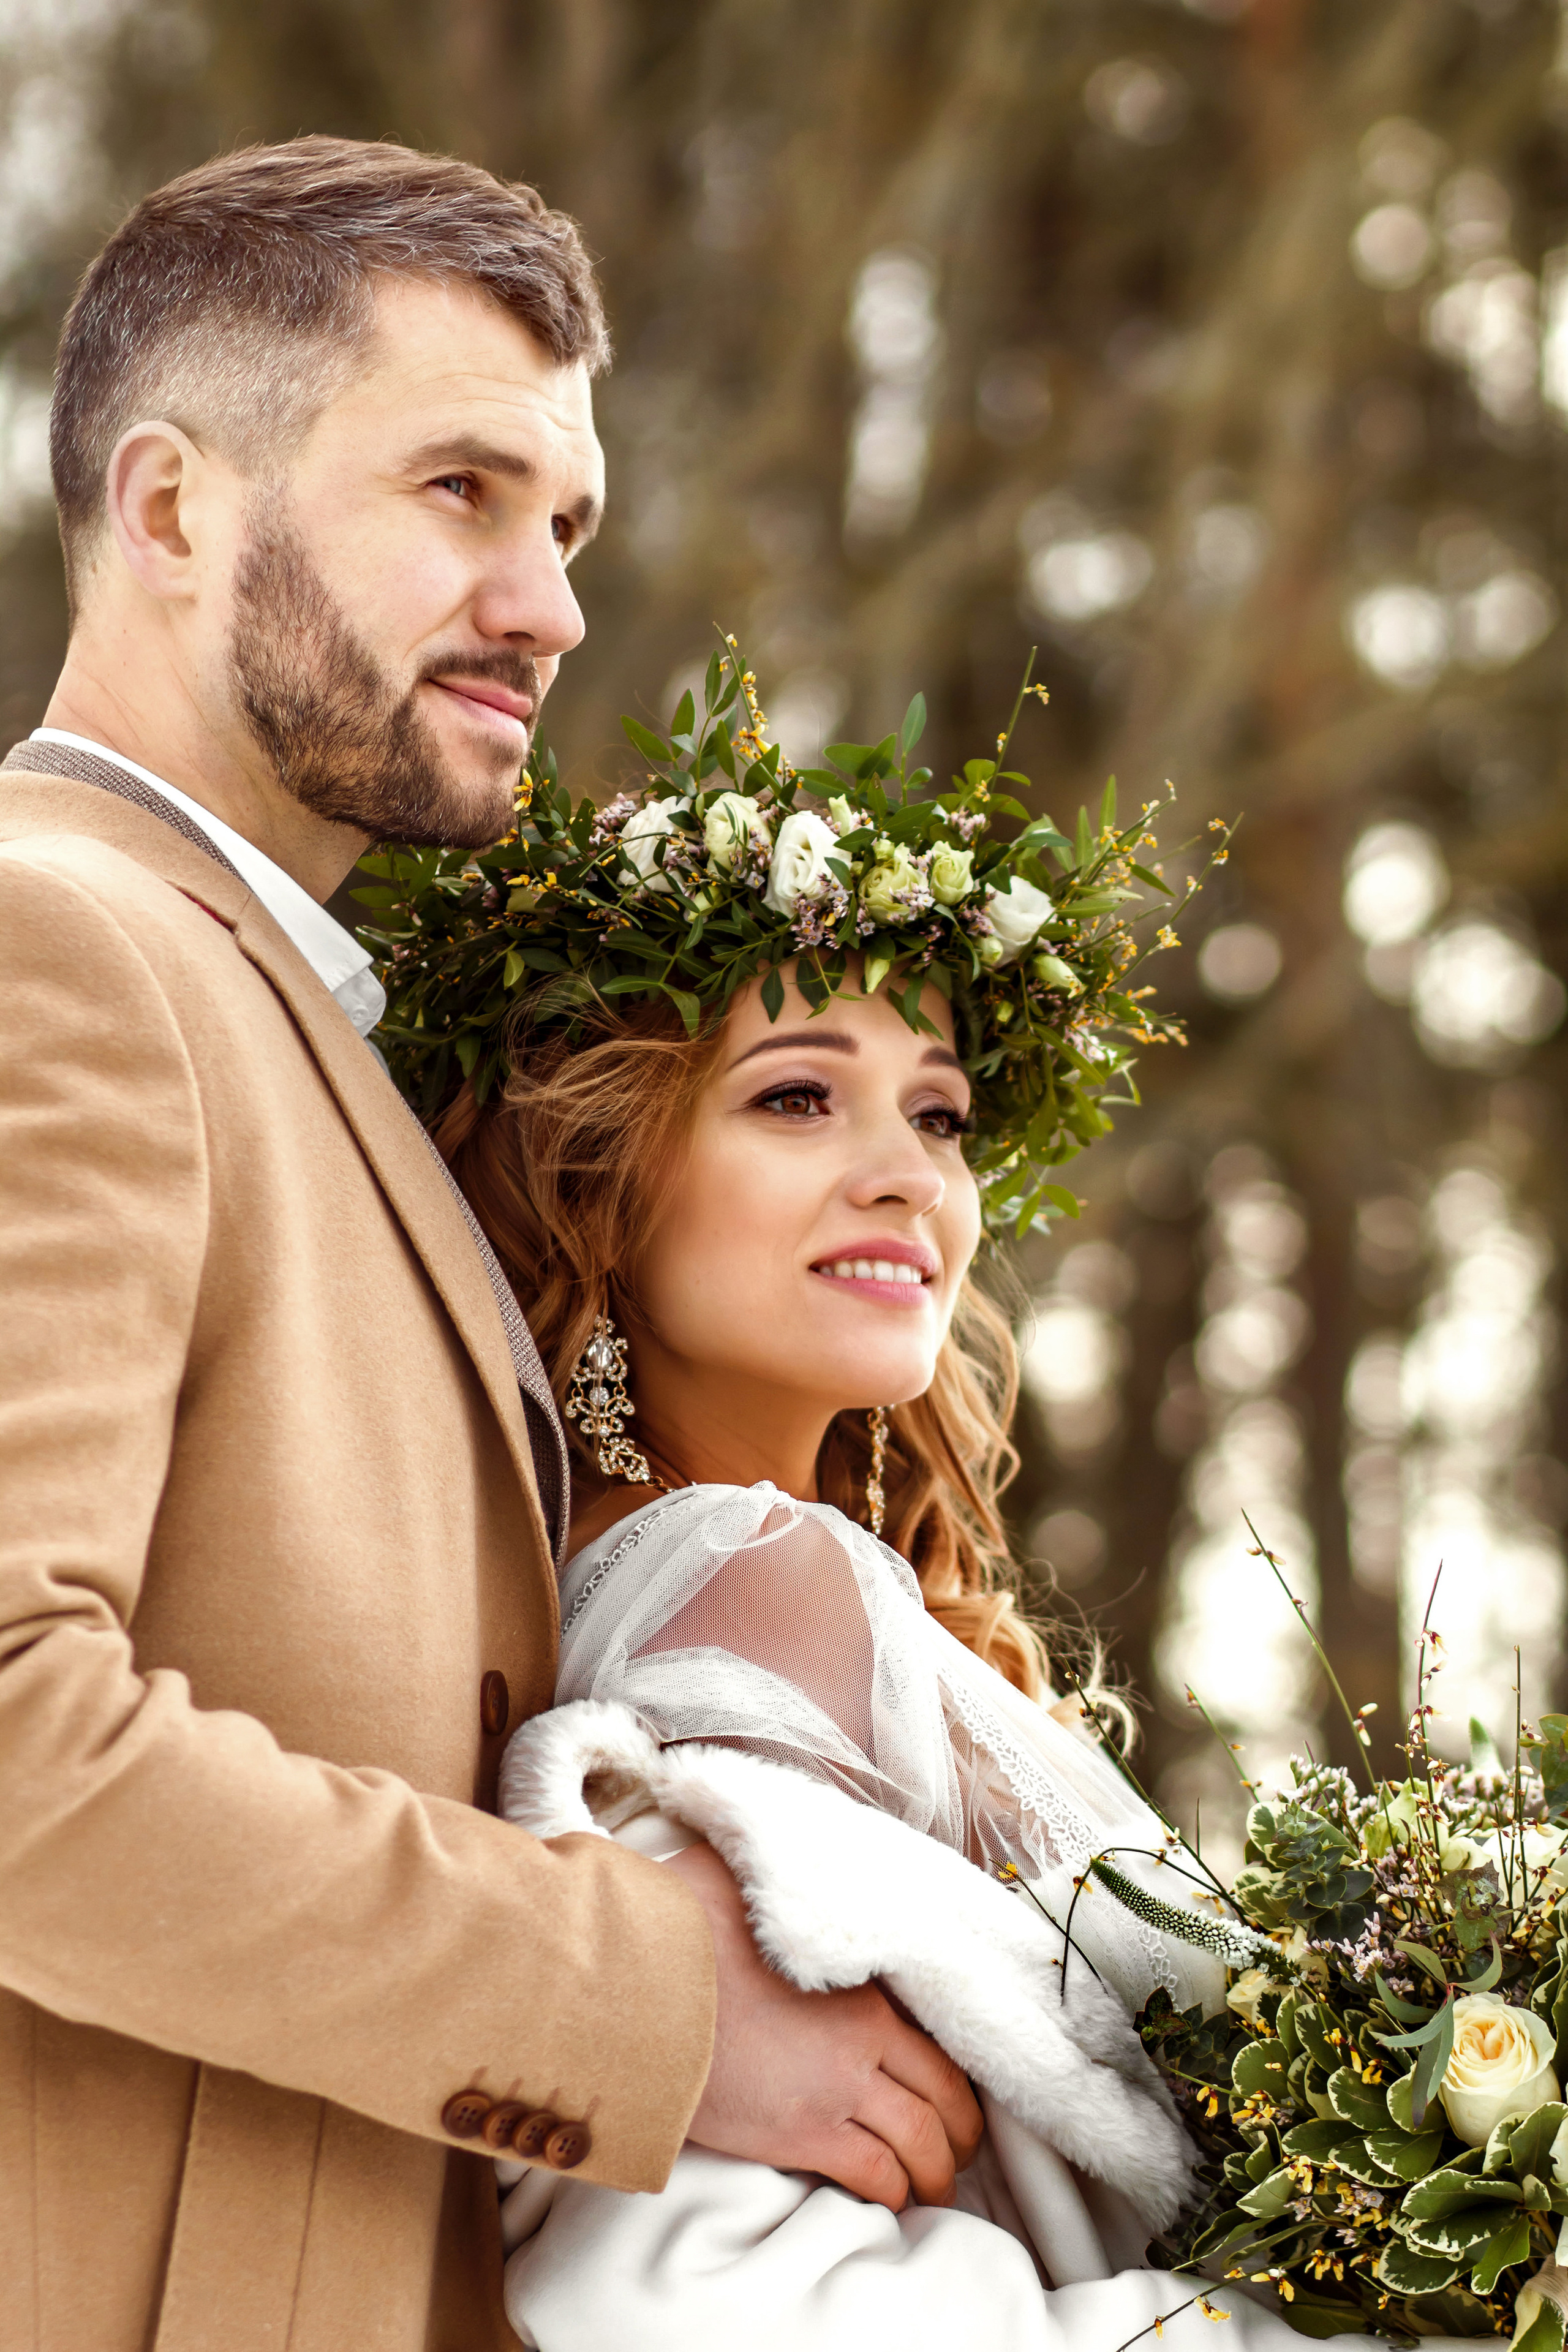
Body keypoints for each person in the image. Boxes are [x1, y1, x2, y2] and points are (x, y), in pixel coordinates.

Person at [0, 139, 978, 2352]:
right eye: (461, 491)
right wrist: (659, 2016)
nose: (548, 603)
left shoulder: (281, 1018)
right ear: (170, 511)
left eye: (568, 526)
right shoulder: (51, 947)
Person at [381, 680, 1316, 2350]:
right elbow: (704, 2296)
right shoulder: (745, 1576)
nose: (909, 1175)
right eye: (798, 1096)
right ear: (600, 1174)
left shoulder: (734, 1575)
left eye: (938, 1115)